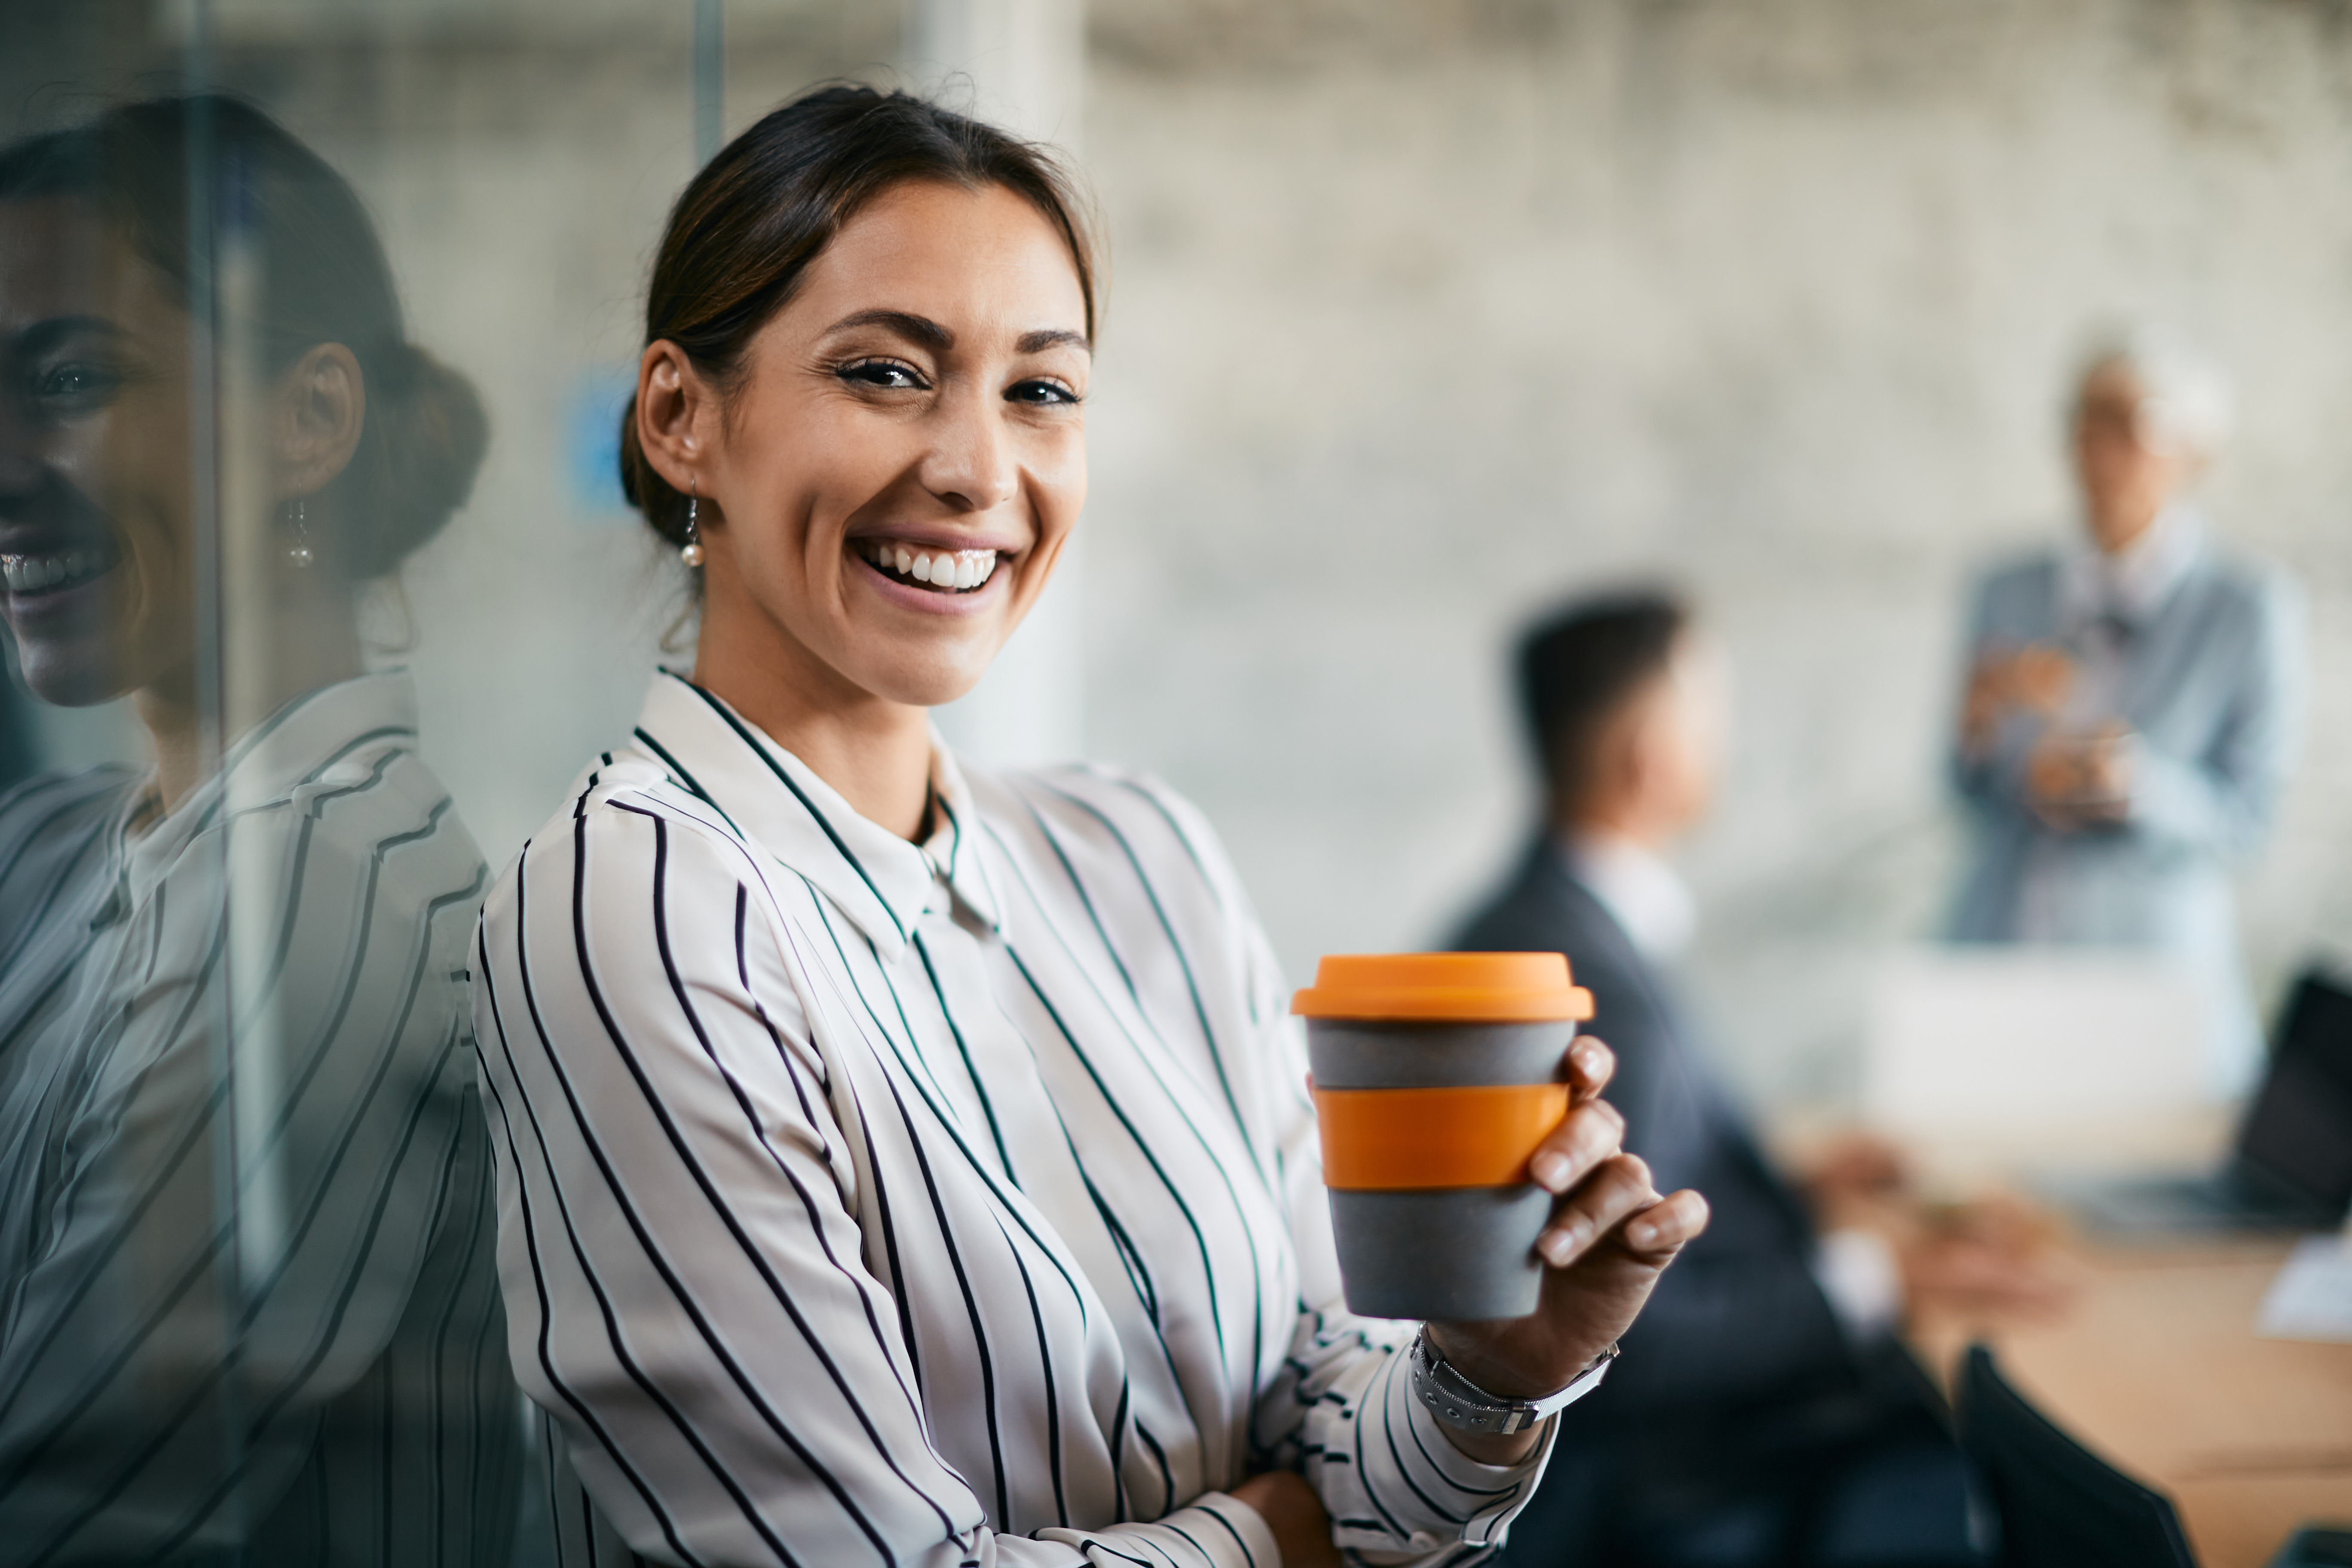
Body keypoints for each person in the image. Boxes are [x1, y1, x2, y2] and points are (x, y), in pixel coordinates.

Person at [471, 85, 1710, 1568]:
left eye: (1039, 391)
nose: (977, 470)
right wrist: (1283, 1539)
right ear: (682, 416)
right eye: (883, 371)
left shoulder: (1138, 849)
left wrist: (1492, 1368)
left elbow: (1347, 1421)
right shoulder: (634, 905)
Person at [0, 97, 521, 1560]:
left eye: (71, 377)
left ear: (309, 422)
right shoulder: (53, 846)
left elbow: (54, 1517)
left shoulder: (319, 893)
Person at [1452, 591, 2061, 1568]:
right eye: (1710, 713)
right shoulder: (1595, 980)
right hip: (1665, 1468)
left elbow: (1620, 1193)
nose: (1726, 742)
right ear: (1650, 755)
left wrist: (1796, 1182)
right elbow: (1622, 1327)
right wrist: (1880, 1280)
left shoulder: (1536, 915)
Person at [1950, 327, 2303, 1091]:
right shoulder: (2005, 588)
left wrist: (2137, 783)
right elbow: (1961, 788)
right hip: (2006, 955)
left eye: (2127, 424)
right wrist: (1981, 732)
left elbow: (2247, 820)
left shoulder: (2247, 608)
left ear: (2193, 453)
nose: (2097, 448)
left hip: (2154, 981)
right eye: (2082, 419)